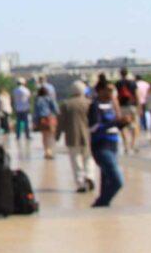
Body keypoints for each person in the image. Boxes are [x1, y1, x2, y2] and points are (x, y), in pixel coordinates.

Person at [89, 75, 125, 207]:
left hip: (113, 143)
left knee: (106, 179)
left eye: (113, 90)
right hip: (101, 146)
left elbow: (116, 124)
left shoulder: (112, 105)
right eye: (109, 90)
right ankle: (101, 202)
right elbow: (93, 127)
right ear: (100, 90)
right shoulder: (95, 106)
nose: (112, 93)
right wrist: (114, 123)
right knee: (117, 180)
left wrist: (123, 122)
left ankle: (103, 205)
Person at [56, 81, 95, 193]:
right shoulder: (89, 103)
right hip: (88, 135)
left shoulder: (66, 104)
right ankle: (90, 176)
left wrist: (57, 135)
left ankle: (80, 182)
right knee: (89, 158)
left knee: (76, 160)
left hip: (72, 135)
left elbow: (61, 122)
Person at [115, 68, 139, 154]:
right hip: (132, 106)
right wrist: (139, 106)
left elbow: (116, 96)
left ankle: (126, 145)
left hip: (122, 106)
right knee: (134, 125)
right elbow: (137, 95)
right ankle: (133, 144)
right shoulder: (132, 83)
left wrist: (116, 108)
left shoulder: (118, 83)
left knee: (123, 126)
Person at [33, 87, 59, 159]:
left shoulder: (37, 100)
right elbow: (56, 109)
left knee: (44, 136)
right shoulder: (50, 98)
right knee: (51, 135)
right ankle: (50, 150)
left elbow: (35, 112)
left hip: (42, 119)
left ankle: (46, 151)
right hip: (50, 118)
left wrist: (35, 122)